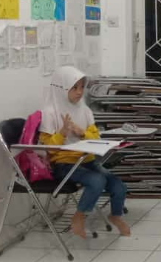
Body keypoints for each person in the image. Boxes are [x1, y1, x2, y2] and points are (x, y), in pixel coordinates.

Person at [39, 66, 130, 239]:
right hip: (64, 164)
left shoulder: (84, 110)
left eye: (82, 87)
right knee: (97, 180)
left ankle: (116, 215)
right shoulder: (50, 113)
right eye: (74, 88)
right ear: (61, 87)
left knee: (118, 185)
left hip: (86, 160)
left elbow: (96, 137)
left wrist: (82, 133)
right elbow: (48, 148)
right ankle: (79, 216)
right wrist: (62, 133)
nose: (80, 92)